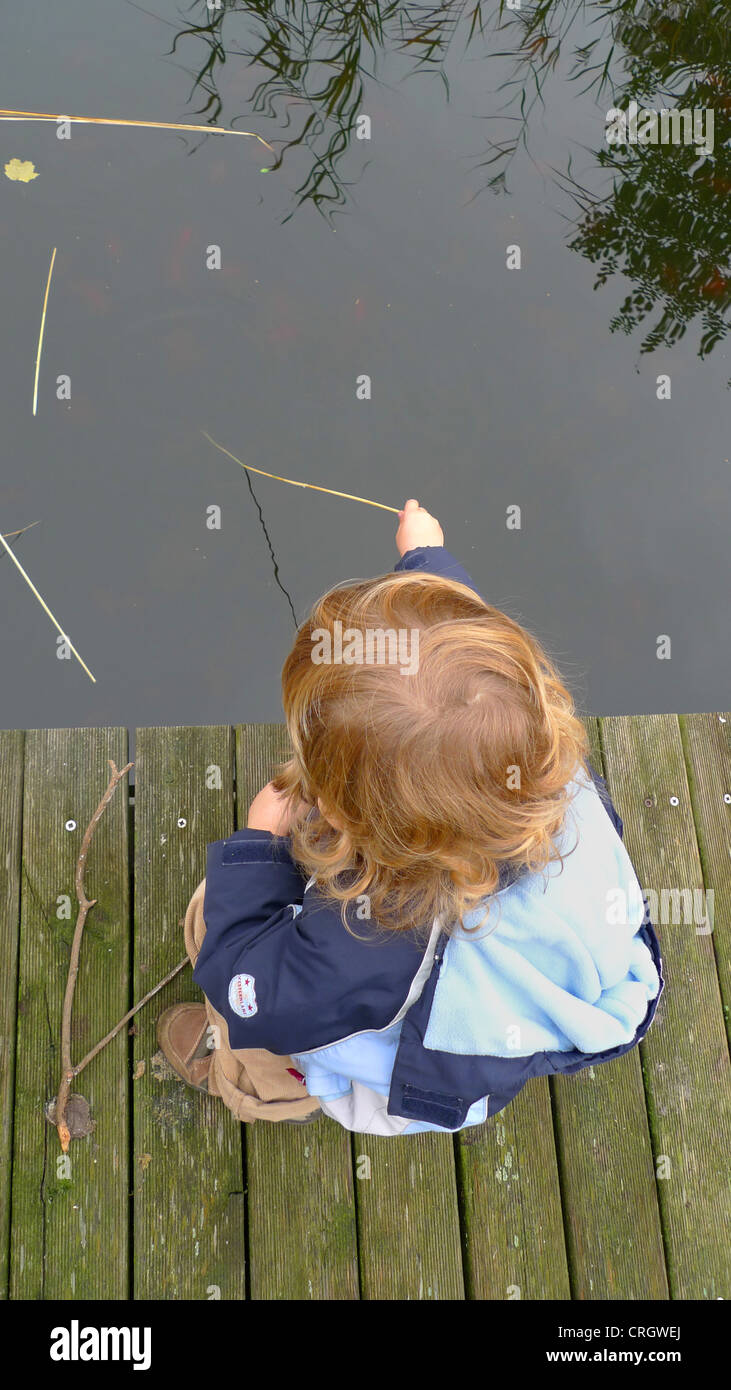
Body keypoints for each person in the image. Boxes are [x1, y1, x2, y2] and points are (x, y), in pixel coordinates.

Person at [157, 500, 663, 1134]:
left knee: (226, 954)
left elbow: (257, 996)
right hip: (509, 1010)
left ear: (344, 812)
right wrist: (426, 565)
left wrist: (259, 848)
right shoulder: (537, 764)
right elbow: (462, 678)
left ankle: (254, 1087)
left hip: (400, 1071)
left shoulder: (371, 941)